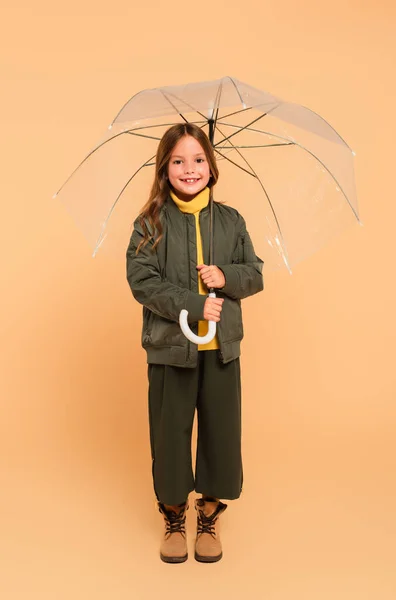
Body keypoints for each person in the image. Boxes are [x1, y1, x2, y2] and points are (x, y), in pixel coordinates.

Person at [126, 123, 264, 563]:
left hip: (221, 348)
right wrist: (192, 302)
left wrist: (226, 277)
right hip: (171, 347)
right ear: (166, 169)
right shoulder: (150, 221)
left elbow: (255, 272)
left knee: (222, 433)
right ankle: (173, 513)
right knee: (169, 434)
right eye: (179, 161)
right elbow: (141, 280)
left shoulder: (231, 220)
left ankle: (209, 513)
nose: (190, 169)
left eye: (198, 159)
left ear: (211, 165)